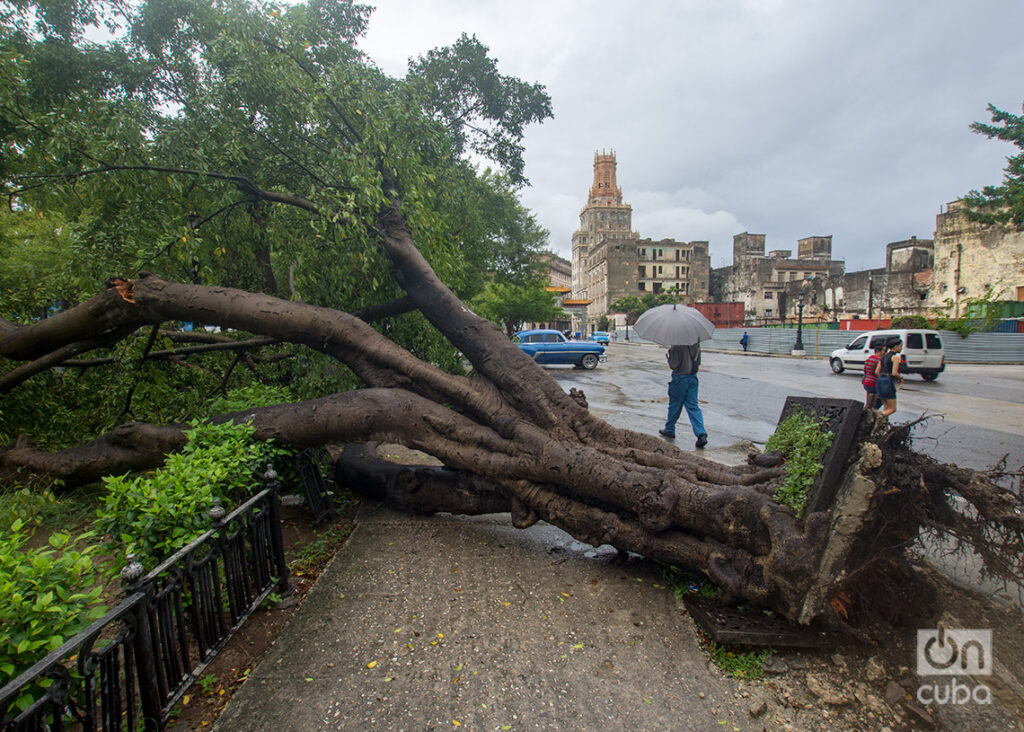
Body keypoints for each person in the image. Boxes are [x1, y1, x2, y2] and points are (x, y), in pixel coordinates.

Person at [658, 342, 708, 448]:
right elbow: (698, 363)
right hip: (693, 378)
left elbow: (673, 366)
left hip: (680, 379)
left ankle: (670, 429)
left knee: (675, 405)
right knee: (693, 406)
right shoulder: (696, 344)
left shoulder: (677, 345)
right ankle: (701, 433)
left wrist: (670, 355)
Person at [875, 337, 904, 417]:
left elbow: (877, 372)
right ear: (895, 346)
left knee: (886, 407)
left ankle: (883, 426)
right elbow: (894, 373)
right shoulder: (895, 357)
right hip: (888, 383)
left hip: (880, 382)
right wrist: (900, 378)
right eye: (900, 346)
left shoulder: (883, 357)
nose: (901, 348)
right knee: (892, 409)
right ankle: (876, 418)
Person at [862, 342, 885, 409]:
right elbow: (877, 372)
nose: (883, 352)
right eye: (883, 350)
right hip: (874, 383)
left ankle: (866, 414)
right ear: (878, 351)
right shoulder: (879, 360)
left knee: (868, 403)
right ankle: (868, 415)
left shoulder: (869, 358)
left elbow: (865, 370)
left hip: (867, 382)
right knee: (875, 402)